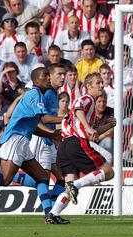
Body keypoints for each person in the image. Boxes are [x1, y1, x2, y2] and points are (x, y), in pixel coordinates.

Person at [0, 67, 64, 223]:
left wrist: (52, 134)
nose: (48, 78)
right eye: (44, 76)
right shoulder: (34, 94)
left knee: (42, 177)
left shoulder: (39, 94)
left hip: (23, 141)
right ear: (35, 80)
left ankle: (49, 215)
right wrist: (69, 118)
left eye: (48, 75)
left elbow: (34, 128)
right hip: (15, 139)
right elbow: (46, 119)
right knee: (4, 180)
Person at [50, 72, 116, 223]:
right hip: (76, 143)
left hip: (65, 146)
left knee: (69, 188)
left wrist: (108, 126)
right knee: (108, 172)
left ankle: (53, 214)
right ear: (88, 86)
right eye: (98, 83)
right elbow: (79, 110)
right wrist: (88, 127)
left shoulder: (90, 108)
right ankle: (76, 186)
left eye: (101, 82)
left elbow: (92, 133)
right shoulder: (87, 99)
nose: (101, 85)